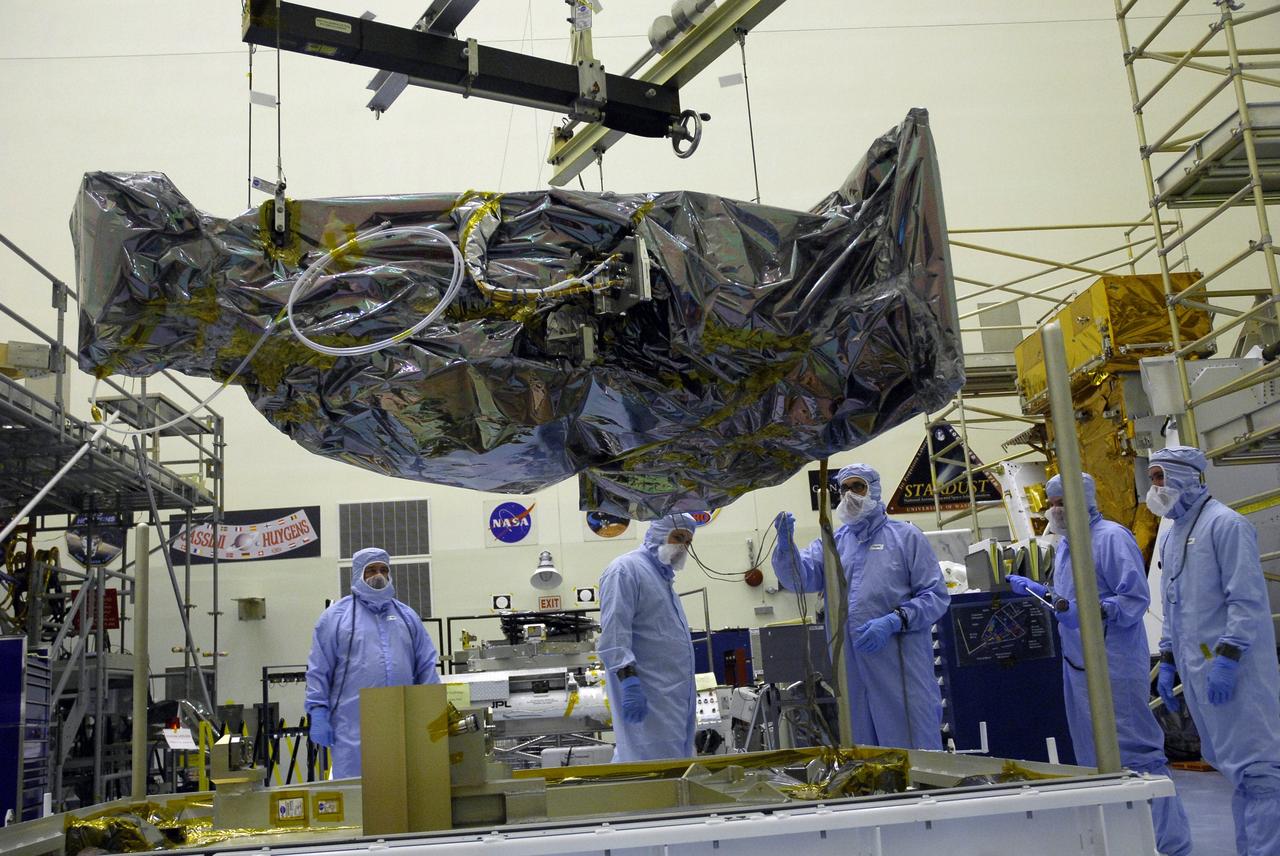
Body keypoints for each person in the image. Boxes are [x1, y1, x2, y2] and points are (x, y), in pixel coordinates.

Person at [1008, 473, 1192, 856]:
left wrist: (1091, 612)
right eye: (1052, 502)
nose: (1054, 509)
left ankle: (1168, 844)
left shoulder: (1110, 537)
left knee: (1137, 754)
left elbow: (1133, 600)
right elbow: (1071, 599)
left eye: (1061, 502)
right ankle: (1122, 843)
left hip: (1113, 664)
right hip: (1078, 666)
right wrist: (1045, 594)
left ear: (1082, 499)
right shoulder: (1067, 545)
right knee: (1094, 757)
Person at [1149, 445, 1280, 856]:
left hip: (1237, 672)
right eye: (1151, 478)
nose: (1153, 488)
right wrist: (1168, 657)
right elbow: (1172, 603)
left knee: (1260, 773)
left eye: (1159, 478)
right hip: (1198, 673)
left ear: (1187, 477)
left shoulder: (1227, 526)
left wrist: (1229, 656)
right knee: (1234, 773)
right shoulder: (1172, 537)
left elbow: (1246, 600)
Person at [772, 463, 949, 750]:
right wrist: (785, 547)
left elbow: (935, 596)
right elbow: (800, 578)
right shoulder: (834, 544)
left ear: (874, 490)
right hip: (851, 670)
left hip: (899, 666)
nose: (850, 495)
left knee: (913, 748)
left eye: (858, 487)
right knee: (864, 751)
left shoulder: (905, 537)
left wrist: (895, 620)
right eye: (844, 489)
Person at [305, 547, 440, 778]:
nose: (378, 575)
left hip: (402, 725)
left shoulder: (407, 617)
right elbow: (319, 668)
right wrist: (317, 711)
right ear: (359, 573)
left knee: (402, 791)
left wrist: (433, 711)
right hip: (352, 729)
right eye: (371, 570)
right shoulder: (335, 618)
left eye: (383, 570)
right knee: (356, 798)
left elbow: (426, 665)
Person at [598, 513, 699, 763]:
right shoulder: (625, 570)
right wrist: (629, 682)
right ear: (657, 534)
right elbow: (614, 636)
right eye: (677, 537)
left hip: (673, 701)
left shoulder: (663, 581)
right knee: (649, 772)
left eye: (687, 541)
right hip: (648, 697)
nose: (682, 547)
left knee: (670, 769)